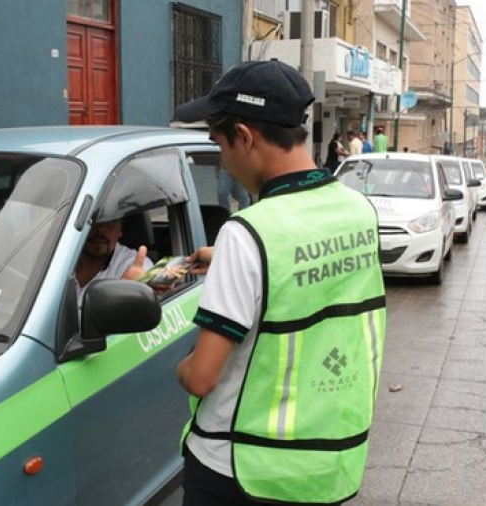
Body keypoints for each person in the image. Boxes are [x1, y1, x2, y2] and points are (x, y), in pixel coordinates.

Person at [174, 59, 387, 506]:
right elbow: (313, 282)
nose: (224, 164)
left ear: (245, 136)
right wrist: (235, 264)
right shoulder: (358, 209)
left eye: (220, 145)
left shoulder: (247, 233)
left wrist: (180, 366)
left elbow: (200, 379)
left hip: (245, 469)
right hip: (331, 460)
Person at [74, 218, 152, 306]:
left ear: (120, 230)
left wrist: (127, 290)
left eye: (110, 223)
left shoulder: (133, 264)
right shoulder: (59, 255)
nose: (101, 230)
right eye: (93, 222)